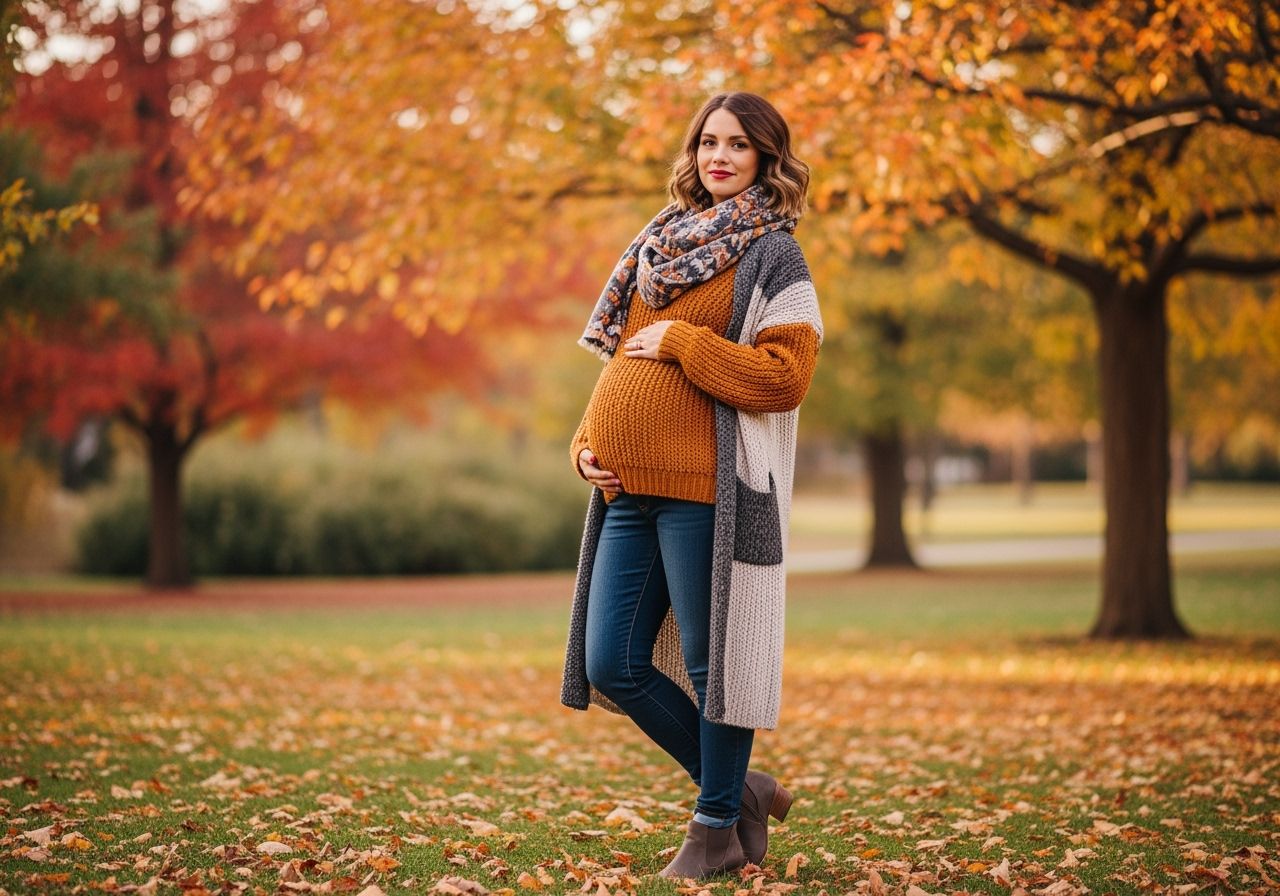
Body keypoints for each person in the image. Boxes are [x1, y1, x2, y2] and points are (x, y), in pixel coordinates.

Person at [560, 91, 822, 880]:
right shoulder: (659, 240)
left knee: (716, 671)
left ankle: (713, 825)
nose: (719, 156)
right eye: (709, 141)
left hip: (711, 491)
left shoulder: (775, 256)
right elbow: (618, 366)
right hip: (624, 493)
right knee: (614, 665)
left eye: (739, 145)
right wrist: (583, 445)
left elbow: (786, 375)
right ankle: (742, 792)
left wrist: (684, 341)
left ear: (767, 160)